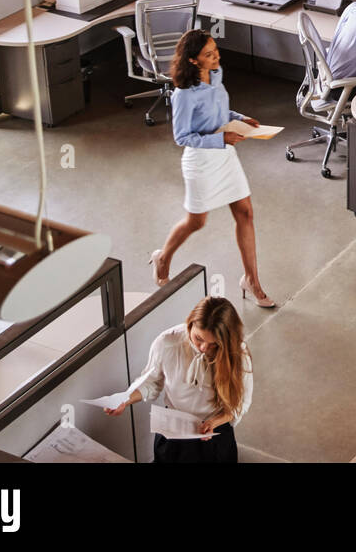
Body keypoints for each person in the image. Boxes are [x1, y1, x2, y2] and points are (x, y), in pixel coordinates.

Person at [150, 29, 275, 308]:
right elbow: (182, 137)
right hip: (201, 160)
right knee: (197, 221)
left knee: (245, 212)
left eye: (215, 49)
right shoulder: (184, 95)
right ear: (194, 61)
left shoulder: (216, 75)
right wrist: (221, 138)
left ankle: (251, 280)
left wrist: (241, 118)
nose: (216, 56)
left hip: (225, 155)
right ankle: (164, 257)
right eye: (208, 54)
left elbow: (220, 113)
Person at [106, 296, 252, 463]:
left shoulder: (238, 354)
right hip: (173, 431)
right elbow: (151, 382)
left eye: (214, 345)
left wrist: (215, 422)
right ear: (190, 324)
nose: (203, 348)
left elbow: (241, 403)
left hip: (214, 432)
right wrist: (126, 399)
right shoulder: (167, 342)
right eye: (199, 338)